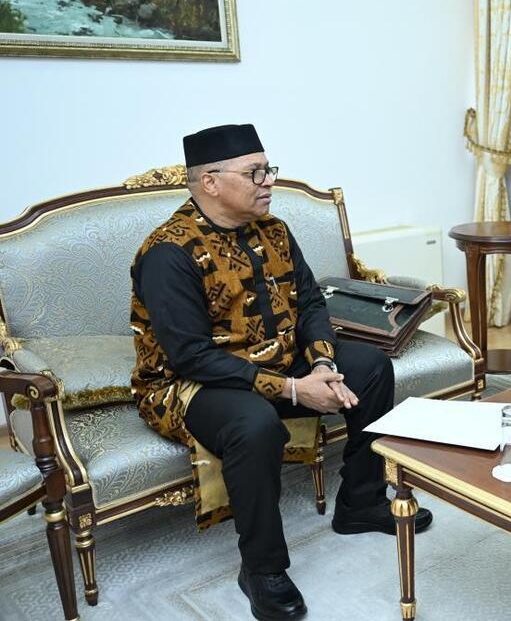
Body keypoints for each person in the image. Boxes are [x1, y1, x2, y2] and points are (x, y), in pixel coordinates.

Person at [129, 124, 431, 620]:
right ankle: (262, 568)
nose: (269, 181)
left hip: (278, 357)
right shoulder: (168, 252)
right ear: (210, 181)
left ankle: (361, 502)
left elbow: (311, 301)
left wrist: (324, 363)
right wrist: (294, 389)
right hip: (189, 385)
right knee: (253, 423)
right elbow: (190, 356)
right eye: (256, 172)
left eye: (269, 169)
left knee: (372, 367)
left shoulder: (274, 230)